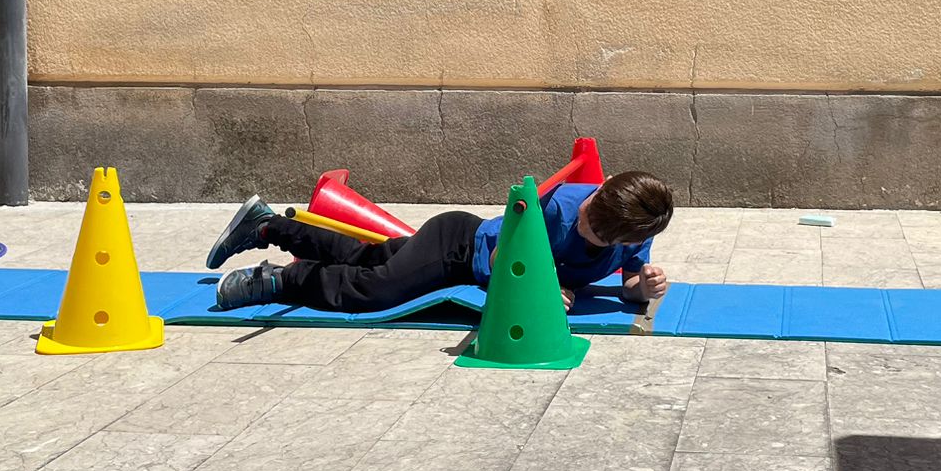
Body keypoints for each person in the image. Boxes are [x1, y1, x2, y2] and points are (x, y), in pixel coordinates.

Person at [203, 170, 675, 313]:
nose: (585, 224)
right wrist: (539, 287)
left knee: (367, 257)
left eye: (598, 235)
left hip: (464, 257)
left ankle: (267, 226)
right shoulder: (557, 208)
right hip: (462, 247)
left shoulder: (630, 231)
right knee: (374, 290)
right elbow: (504, 261)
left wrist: (643, 287)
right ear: (601, 188)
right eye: (590, 212)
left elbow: (629, 284)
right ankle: (280, 281)